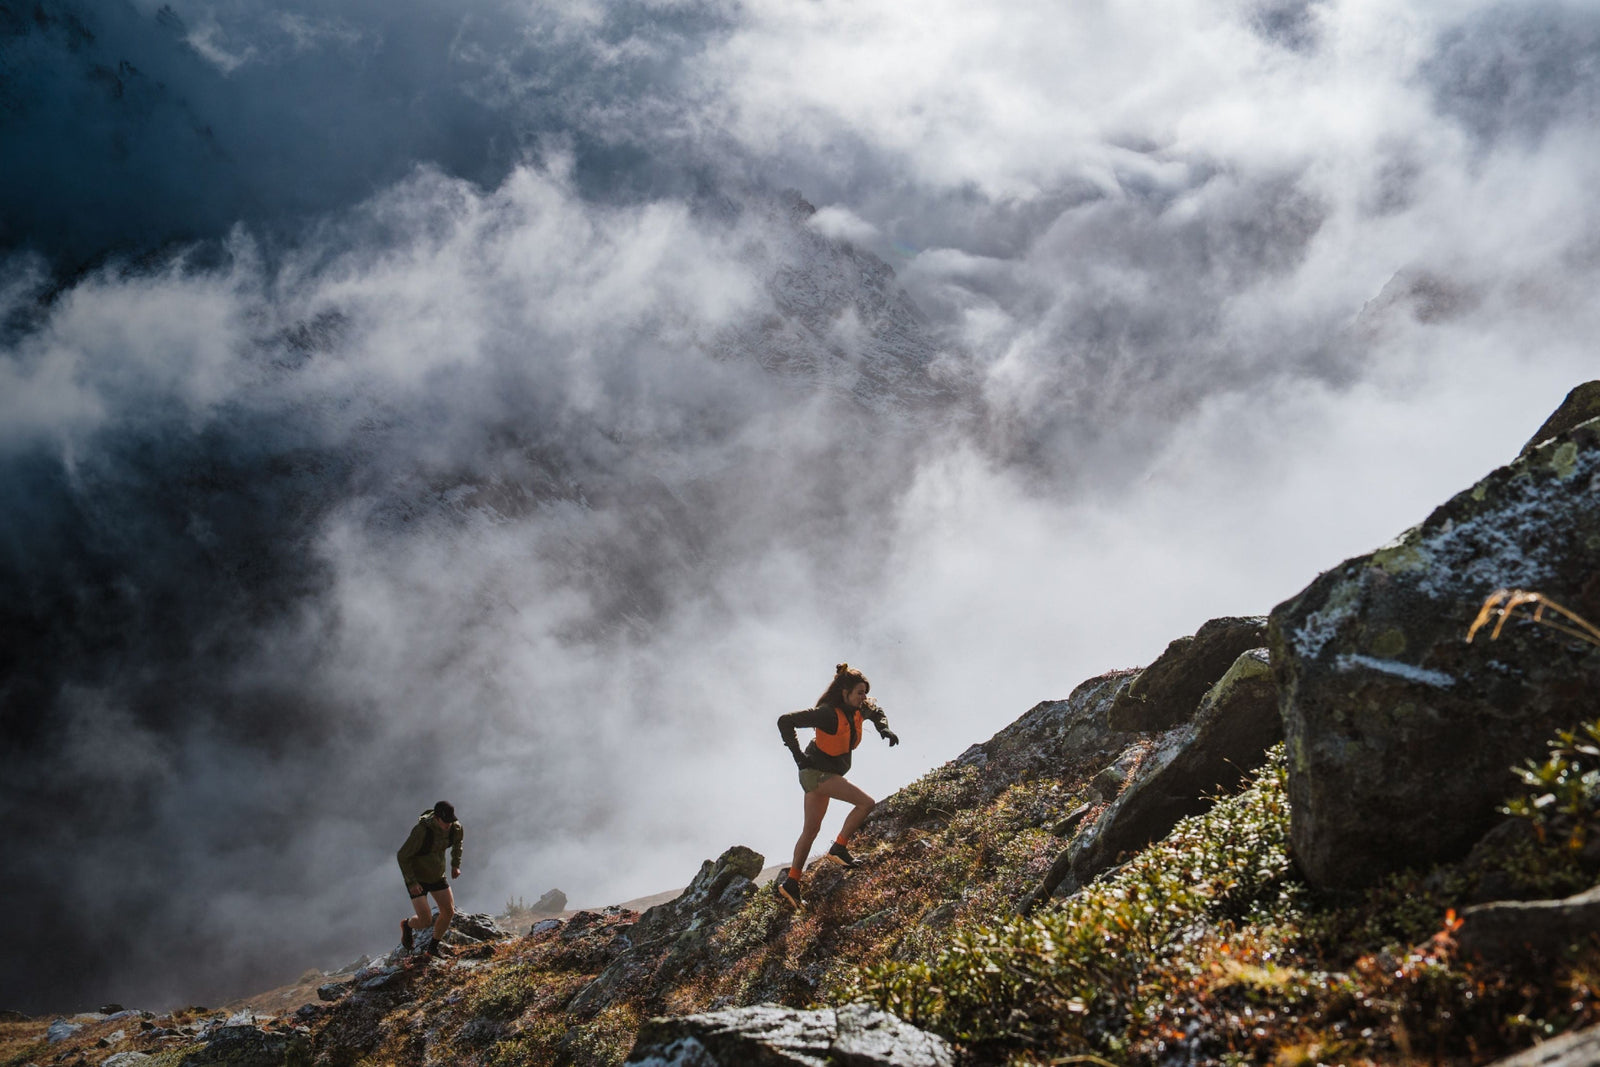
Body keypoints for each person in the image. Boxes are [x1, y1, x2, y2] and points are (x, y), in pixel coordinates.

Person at [774, 663, 898, 907]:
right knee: (866, 803)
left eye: (865, 692)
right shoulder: (828, 714)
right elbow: (784, 721)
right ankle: (839, 849)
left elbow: (877, 711)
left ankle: (791, 884)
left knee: (810, 831)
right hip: (816, 774)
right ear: (845, 692)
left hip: (823, 774)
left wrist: (884, 729)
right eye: (859, 693)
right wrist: (798, 757)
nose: (864, 698)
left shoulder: (859, 708)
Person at [398, 801, 463, 959]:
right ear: (436, 817)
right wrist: (412, 882)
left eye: (450, 821)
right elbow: (402, 856)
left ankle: (432, 948)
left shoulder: (455, 828)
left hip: (437, 875)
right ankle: (407, 925)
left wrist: (455, 865)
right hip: (417, 878)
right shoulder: (421, 831)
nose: (448, 824)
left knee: (448, 912)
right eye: (445, 821)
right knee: (425, 920)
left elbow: (457, 844)